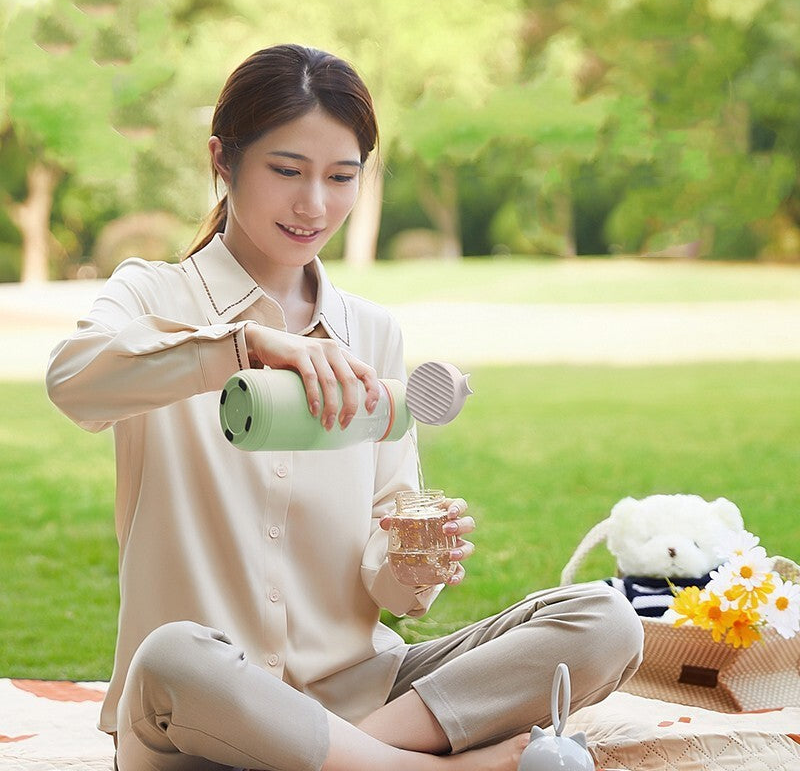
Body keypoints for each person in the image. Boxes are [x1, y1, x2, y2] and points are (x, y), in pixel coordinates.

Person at [47, 44, 643, 771]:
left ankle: (351, 759)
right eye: (287, 171)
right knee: (170, 652)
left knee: (605, 621)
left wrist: (412, 565)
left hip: (365, 698)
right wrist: (239, 349)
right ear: (224, 160)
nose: (314, 205)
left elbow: (384, 569)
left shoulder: (373, 332)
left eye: (342, 177)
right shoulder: (153, 295)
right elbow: (73, 382)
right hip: (202, 712)